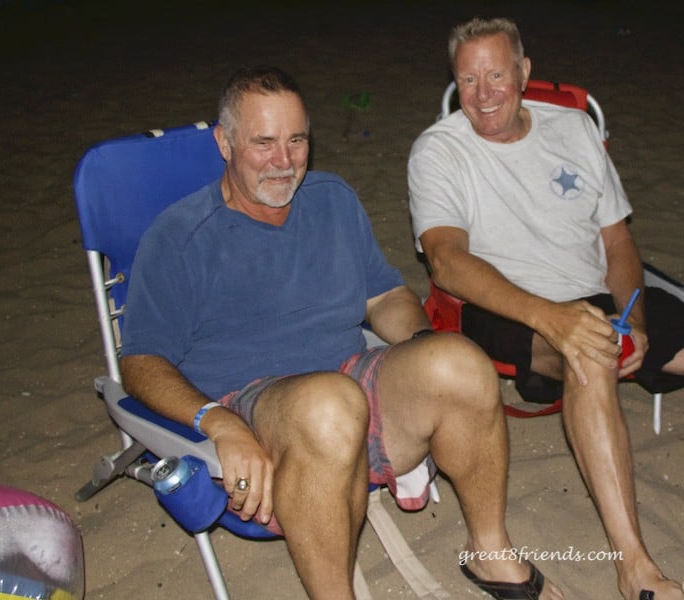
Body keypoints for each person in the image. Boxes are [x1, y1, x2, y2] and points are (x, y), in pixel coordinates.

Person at [120, 65, 562, 600]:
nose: (284, 161)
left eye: (297, 140)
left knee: (461, 361)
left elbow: (385, 298)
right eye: (264, 143)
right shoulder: (180, 237)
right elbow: (141, 361)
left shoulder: (332, 199)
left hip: (352, 382)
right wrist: (218, 424)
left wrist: (423, 351)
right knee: (331, 403)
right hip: (254, 410)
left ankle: (490, 554)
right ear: (224, 142)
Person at [408, 17, 684, 600]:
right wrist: (551, 317)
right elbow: (447, 262)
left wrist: (631, 317)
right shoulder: (440, 150)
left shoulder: (575, 128)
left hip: (602, 299)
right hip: (505, 306)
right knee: (588, 353)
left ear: (524, 72)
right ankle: (635, 566)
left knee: (610, 336)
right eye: (469, 80)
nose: (483, 94)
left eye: (497, 75)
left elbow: (617, 242)